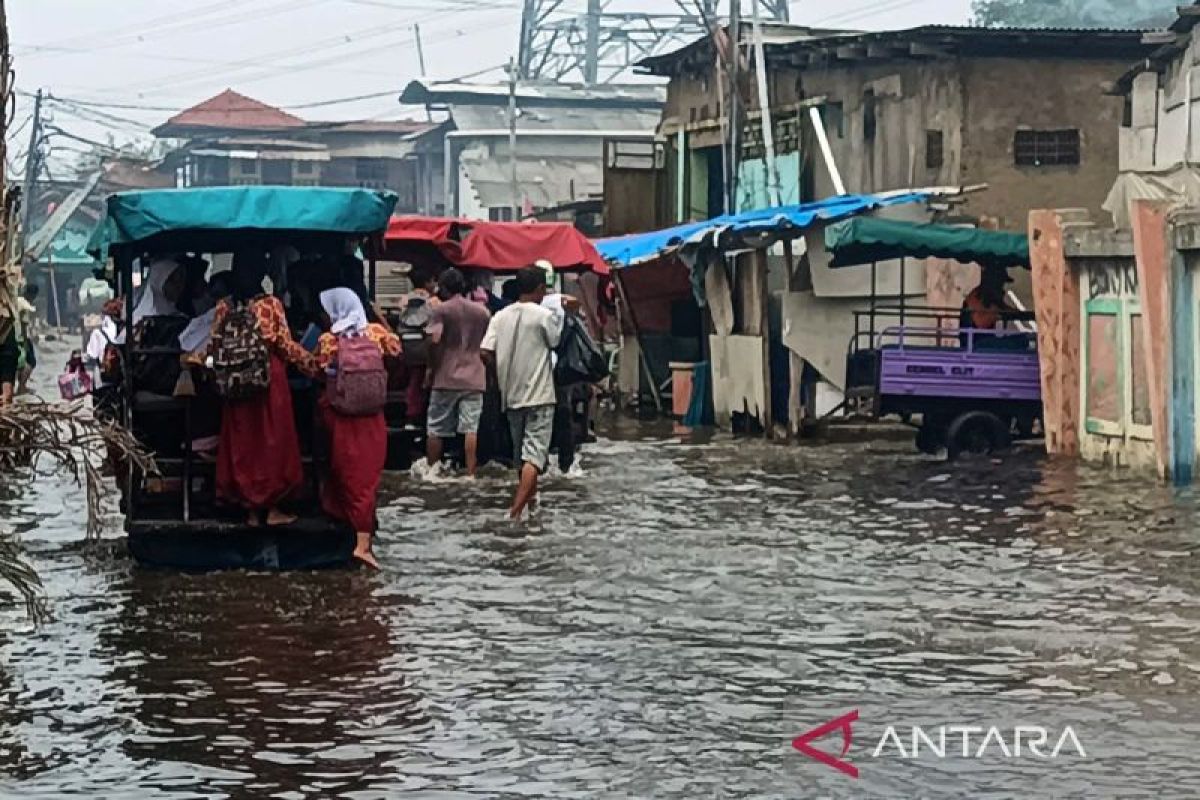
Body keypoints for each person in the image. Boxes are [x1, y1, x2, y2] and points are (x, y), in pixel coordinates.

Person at [210, 250, 318, 528]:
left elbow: (214, 345)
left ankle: (250, 512)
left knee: (243, 443)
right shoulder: (270, 305)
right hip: (268, 378)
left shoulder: (224, 307)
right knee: (272, 441)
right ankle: (271, 509)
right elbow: (285, 344)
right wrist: (313, 364)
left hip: (235, 382)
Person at [314, 288, 401, 569]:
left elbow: (317, 367)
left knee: (343, 470)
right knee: (367, 477)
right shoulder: (376, 334)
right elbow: (398, 351)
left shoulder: (329, 340)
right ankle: (363, 541)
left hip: (340, 416)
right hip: (372, 417)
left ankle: (354, 535)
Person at [481, 265, 576, 519]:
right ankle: (515, 514)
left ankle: (532, 507)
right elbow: (556, 342)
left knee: (520, 457)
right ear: (540, 289)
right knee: (534, 457)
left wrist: (499, 373)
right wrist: (568, 315)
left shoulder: (500, 316)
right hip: (540, 395)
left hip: (510, 395)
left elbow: (485, 352)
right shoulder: (543, 315)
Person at [425, 267, 491, 477]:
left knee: (436, 427)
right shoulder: (482, 312)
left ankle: (432, 472)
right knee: (470, 428)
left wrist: (430, 367)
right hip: (474, 375)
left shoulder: (441, 310)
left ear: (443, 287)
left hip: (446, 375)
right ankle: (470, 473)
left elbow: (434, 340)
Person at [15, 284, 37, 396]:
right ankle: (22, 386)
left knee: (21, 362)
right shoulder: (24, 304)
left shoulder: (17, 300)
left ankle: (21, 385)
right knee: (31, 361)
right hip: (22, 337)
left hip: (15, 336)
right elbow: (24, 325)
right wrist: (25, 342)